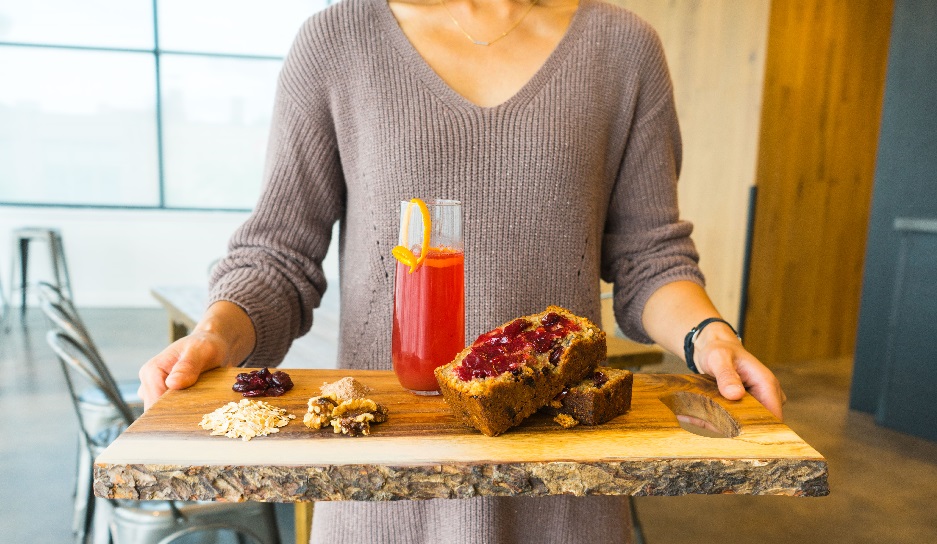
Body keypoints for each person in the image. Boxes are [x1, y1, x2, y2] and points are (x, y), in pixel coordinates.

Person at [139, 0, 786, 542]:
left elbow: (649, 258)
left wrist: (709, 335)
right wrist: (217, 334)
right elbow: (277, 257)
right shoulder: (337, 42)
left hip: (561, 491)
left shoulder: (622, 50)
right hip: (386, 498)